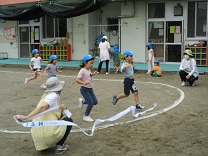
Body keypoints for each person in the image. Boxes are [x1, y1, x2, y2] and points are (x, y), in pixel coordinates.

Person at [16, 77, 73, 154]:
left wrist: (62, 111)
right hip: (48, 136)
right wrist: (26, 117)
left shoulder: (45, 97)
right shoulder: (53, 95)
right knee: (68, 120)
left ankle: (44, 144)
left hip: (38, 139)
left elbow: (55, 117)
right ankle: (59, 146)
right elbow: (43, 107)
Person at [76, 55, 98, 122]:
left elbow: (89, 76)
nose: (92, 65)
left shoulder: (88, 70)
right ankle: (86, 116)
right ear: (85, 63)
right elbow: (77, 79)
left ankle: (82, 101)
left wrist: (92, 74)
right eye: (90, 63)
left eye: (92, 63)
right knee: (90, 103)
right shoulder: (82, 70)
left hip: (90, 89)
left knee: (95, 102)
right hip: (84, 89)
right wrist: (83, 83)